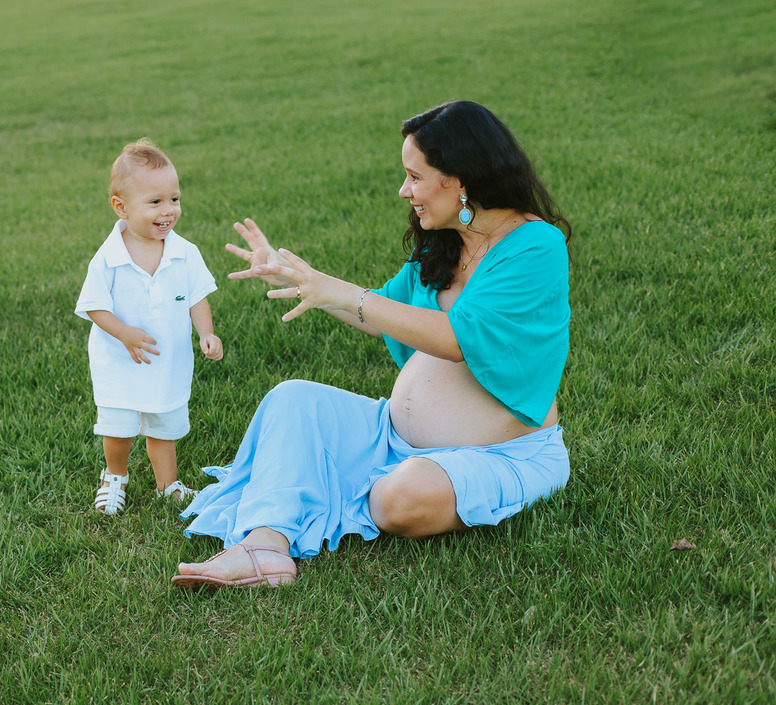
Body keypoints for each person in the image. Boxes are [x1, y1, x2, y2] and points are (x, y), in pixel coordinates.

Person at [171, 100, 571, 590]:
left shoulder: (535, 246)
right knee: (292, 399)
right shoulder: (446, 239)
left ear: (460, 178)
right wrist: (298, 278)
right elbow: (383, 312)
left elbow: (458, 339)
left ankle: (330, 487)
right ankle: (265, 547)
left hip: (506, 453)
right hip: (392, 436)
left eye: (415, 177)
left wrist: (346, 293)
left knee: (396, 501)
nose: (406, 191)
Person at [76, 138, 224, 516]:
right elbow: (94, 306)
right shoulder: (109, 257)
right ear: (121, 207)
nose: (168, 210)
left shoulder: (184, 252)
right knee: (119, 428)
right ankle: (114, 477)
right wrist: (124, 333)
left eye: (173, 199)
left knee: (164, 426)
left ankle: (167, 485)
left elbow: (196, 297)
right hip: (119, 363)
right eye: (154, 202)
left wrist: (206, 332)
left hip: (166, 362)